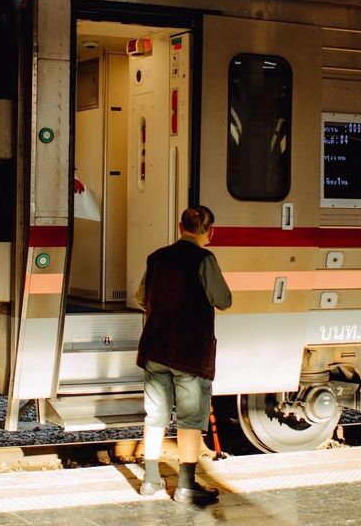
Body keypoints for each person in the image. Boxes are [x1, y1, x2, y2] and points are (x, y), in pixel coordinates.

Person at [135, 205, 232, 504]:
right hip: (190, 354)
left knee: (155, 417)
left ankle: (150, 481)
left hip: (156, 349)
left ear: (180, 227)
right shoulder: (205, 259)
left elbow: (141, 298)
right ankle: (186, 486)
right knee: (190, 420)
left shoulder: (157, 258)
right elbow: (223, 300)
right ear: (210, 232)